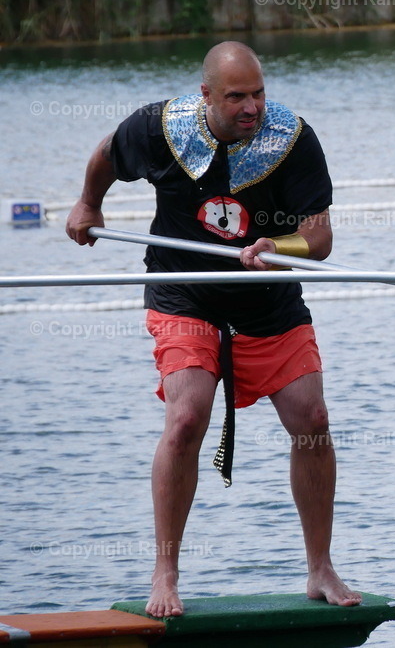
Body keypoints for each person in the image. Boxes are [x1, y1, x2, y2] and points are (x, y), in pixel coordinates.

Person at [65, 42, 361, 616]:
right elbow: (106, 153)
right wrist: (87, 204)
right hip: (185, 292)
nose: (252, 107)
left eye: (259, 94)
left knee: (313, 420)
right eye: (236, 97)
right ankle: (165, 574)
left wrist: (282, 247)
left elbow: (320, 238)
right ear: (206, 95)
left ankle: (320, 568)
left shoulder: (293, 139)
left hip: (266, 299)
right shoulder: (158, 128)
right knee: (186, 417)